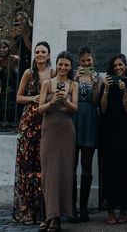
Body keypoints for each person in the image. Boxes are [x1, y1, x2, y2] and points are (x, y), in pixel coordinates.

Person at [39, 51, 79, 232]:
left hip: (66, 130)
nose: (63, 68)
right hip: (49, 129)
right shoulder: (47, 83)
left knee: (63, 173)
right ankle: (48, 214)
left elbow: (75, 109)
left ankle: (57, 217)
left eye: (67, 65)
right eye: (61, 64)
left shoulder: (73, 85)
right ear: (56, 64)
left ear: (71, 67)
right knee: (49, 173)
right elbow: (40, 109)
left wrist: (65, 100)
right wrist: (52, 102)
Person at [14, 41, 52, 224]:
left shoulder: (53, 73)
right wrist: (33, 98)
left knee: (42, 166)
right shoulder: (29, 73)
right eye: (37, 51)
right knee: (27, 166)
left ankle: (42, 211)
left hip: (46, 121)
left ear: (49, 55)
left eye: (43, 51)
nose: (40, 54)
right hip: (29, 123)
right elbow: (19, 97)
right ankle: (26, 210)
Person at [101, 53, 127, 224]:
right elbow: (102, 108)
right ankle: (110, 210)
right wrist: (107, 89)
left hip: (124, 131)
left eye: (121, 65)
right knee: (108, 169)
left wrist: (124, 91)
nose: (118, 68)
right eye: (115, 65)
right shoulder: (106, 83)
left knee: (124, 169)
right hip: (108, 131)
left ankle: (124, 208)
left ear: (125, 66)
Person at [72, 47, 101, 222]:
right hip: (75, 120)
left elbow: (97, 101)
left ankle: (83, 208)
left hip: (90, 119)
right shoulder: (72, 77)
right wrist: (74, 80)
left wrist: (95, 83)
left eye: (88, 60)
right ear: (79, 61)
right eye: (83, 60)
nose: (86, 63)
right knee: (72, 164)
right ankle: (72, 208)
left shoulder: (98, 77)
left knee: (87, 165)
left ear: (93, 60)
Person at [0, 38, 19, 125]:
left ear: (8, 48)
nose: (2, 49)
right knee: (2, 110)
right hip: (3, 91)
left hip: (14, 89)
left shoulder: (14, 59)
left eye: (4, 47)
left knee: (12, 110)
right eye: (0, 48)